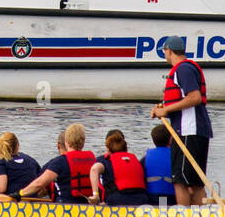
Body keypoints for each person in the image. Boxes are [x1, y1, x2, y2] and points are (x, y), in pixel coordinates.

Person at [151, 35, 213, 206]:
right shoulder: (186, 69)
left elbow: (194, 97)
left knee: (181, 180)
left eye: (164, 51)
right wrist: (162, 109)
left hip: (188, 131)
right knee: (194, 180)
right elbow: (183, 99)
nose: (164, 54)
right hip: (192, 129)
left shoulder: (182, 69)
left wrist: (166, 110)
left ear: (169, 51)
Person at [19, 123, 96, 203]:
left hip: (65, 207)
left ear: (67, 142)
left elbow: (39, 184)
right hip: (88, 208)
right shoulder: (93, 160)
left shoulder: (60, 162)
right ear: (83, 141)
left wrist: (19, 194)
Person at [91, 130, 151, 206]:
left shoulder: (105, 161)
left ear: (108, 148)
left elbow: (94, 169)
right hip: (145, 200)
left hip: (118, 200)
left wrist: (95, 195)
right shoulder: (136, 160)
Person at [0, 132, 42, 197]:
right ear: (18, 145)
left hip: (11, 202)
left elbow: (0, 188)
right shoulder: (31, 160)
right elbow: (42, 187)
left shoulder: (0, 161)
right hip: (33, 202)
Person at [141, 125, 176, 205]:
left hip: (152, 197)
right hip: (171, 197)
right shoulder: (177, 157)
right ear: (170, 139)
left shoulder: (146, 158)